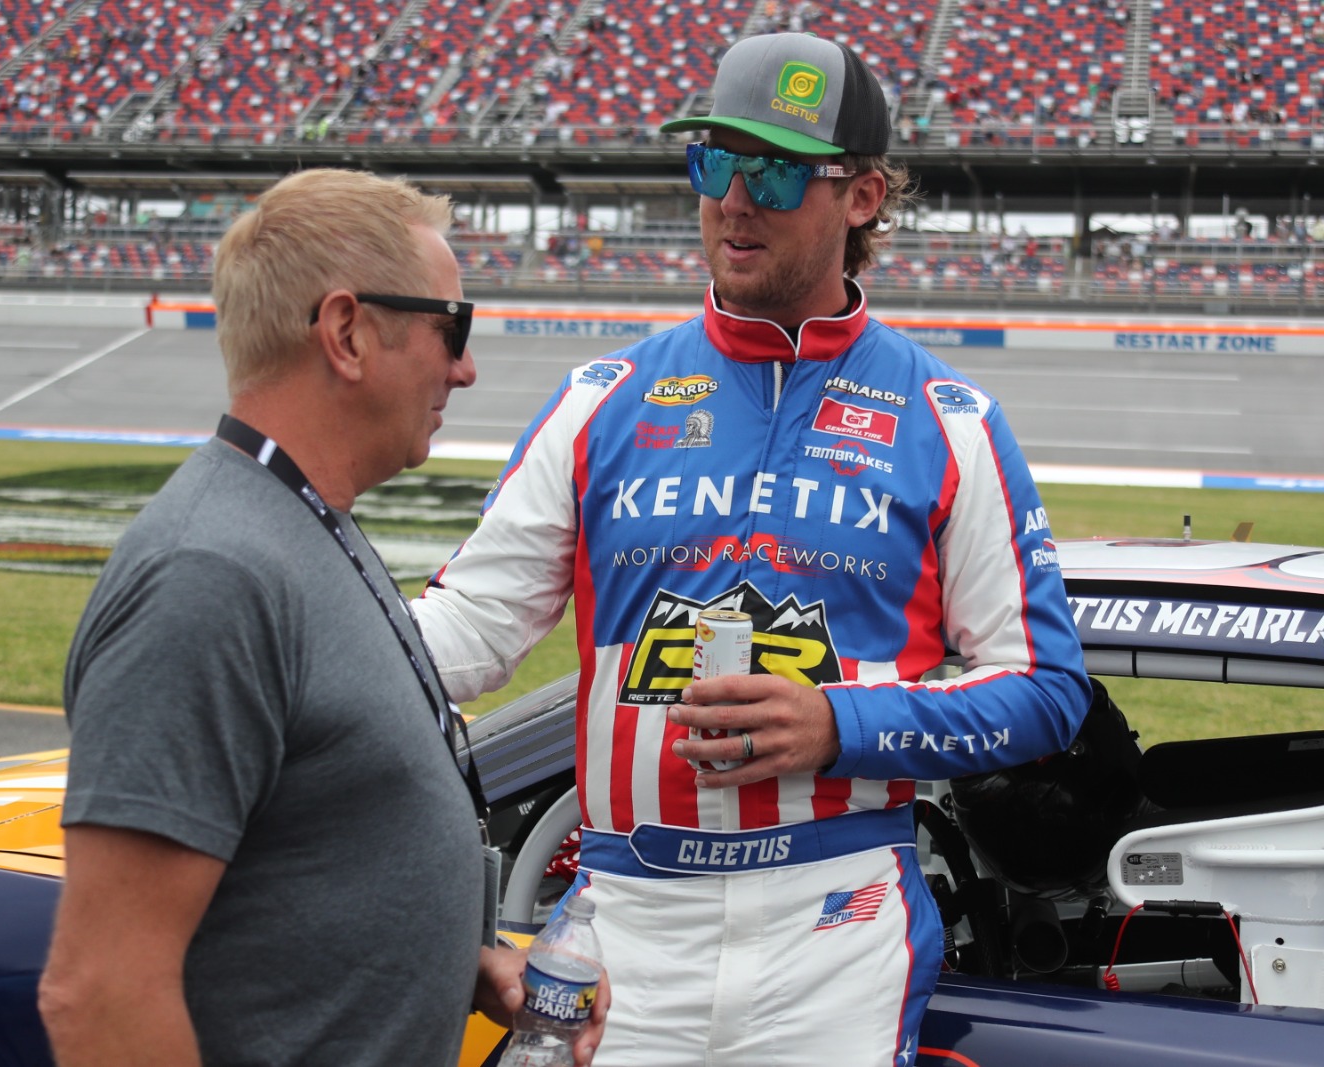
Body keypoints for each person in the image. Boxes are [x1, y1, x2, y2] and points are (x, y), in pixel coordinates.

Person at [412, 32, 1090, 1067]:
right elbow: (466, 628)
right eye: (714, 163)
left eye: (773, 171)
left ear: (862, 197)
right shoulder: (603, 399)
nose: (734, 200)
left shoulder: (951, 420)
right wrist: (286, 636)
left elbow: (1045, 688)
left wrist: (838, 725)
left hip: (838, 922)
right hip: (626, 921)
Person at [38, 168, 606, 1067]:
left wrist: (451, 965)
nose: (465, 367)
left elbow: (293, 880)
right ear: (346, 332)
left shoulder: (301, 524)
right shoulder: (210, 574)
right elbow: (102, 990)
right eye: (451, 328)